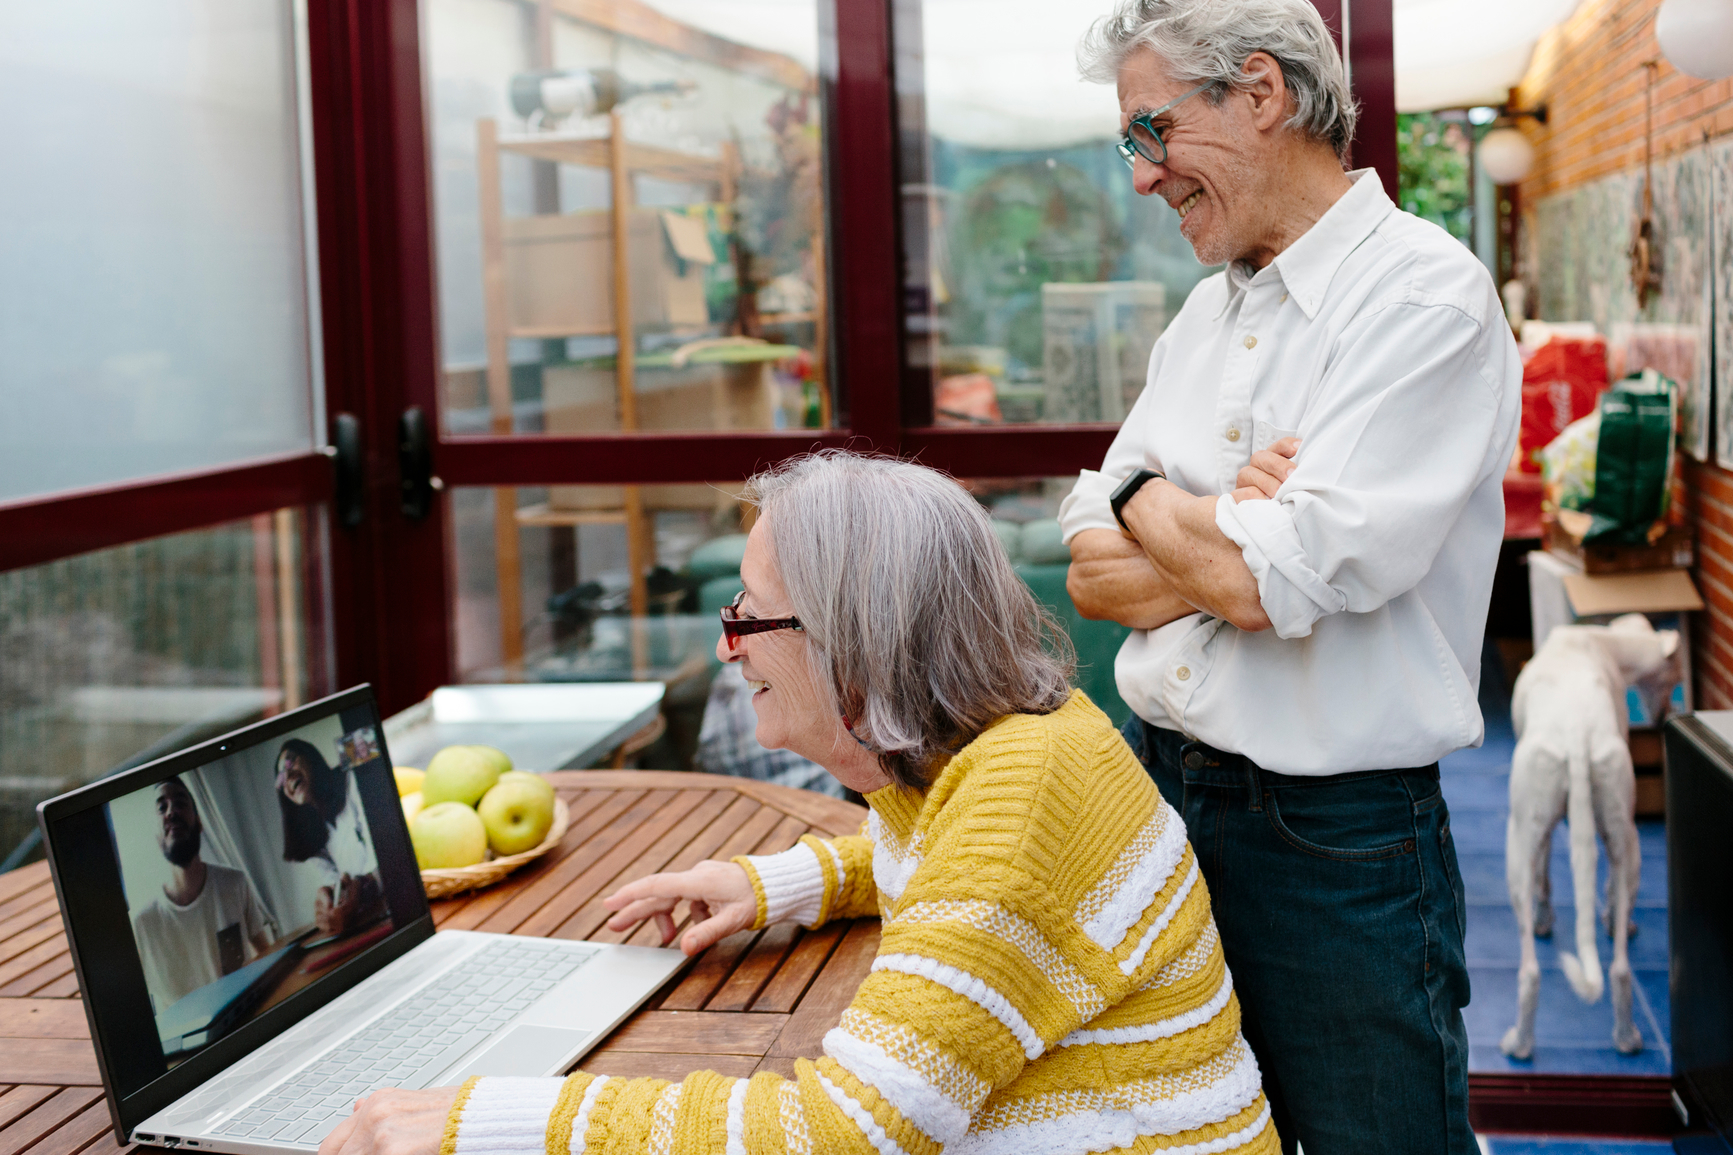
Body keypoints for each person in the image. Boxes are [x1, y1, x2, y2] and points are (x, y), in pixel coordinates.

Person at [319, 451, 1278, 1155]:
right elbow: (953, 868)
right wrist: (777, 882)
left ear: (848, 636)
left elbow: (841, 1130)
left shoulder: (1019, 800)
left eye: (747, 614)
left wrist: (475, 1117)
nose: (728, 646)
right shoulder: (1006, 745)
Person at [1059, 3, 1521, 1152]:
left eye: (1148, 132)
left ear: (1258, 94)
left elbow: (1263, 587)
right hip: (1159, 789)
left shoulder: (1419, 297)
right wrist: (1221, 520)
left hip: (1333, 844)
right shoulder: (1206, 313)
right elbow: (1088, 577)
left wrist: (1148, 502)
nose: (1141, 178)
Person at [131, 776, 272, 1010]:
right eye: (161, 807)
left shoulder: (234, 883)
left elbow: (266, 954)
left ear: (199, 823)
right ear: (155, 835)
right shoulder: (141, 922)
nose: (171, 812)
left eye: (180, 803)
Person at [275, 739, 384, 938]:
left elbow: (390, 848)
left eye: (290, 763)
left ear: (312, 758)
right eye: (281, 778)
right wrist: (332, 904)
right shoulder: (314, 839)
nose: (288, 775)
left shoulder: (354, 775)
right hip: (370, 926)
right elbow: (338, 888)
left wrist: (362, 889)